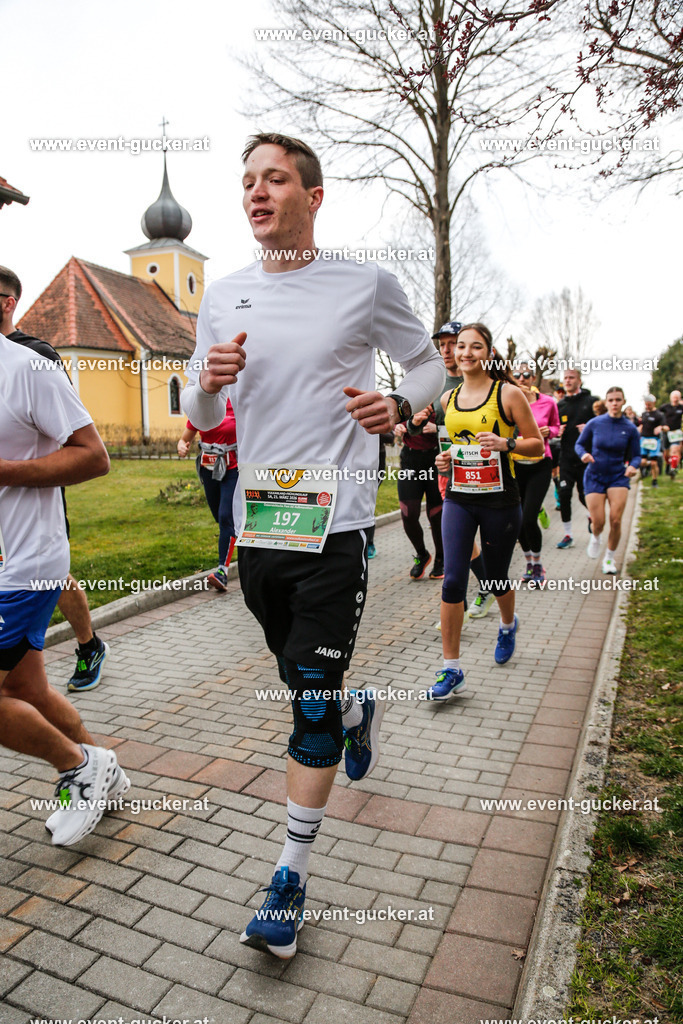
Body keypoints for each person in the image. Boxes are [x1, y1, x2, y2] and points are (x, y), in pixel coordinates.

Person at [181, 132, 444, 958]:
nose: (256, 193)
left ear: (313, 196)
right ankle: (356, 708)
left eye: (275, 180)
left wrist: (398, 410)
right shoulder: (222, 295)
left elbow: (427, 365)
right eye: (247, 181)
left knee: (305, 702)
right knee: (309, 681)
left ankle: (287, 881)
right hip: (260, 528)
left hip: (336, 529)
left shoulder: (364, 284)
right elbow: (194, 415)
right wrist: (207, 385)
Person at [0, 331, 130, 845]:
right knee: (25, 690)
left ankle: (78, 767)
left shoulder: (28, 370)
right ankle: (108, 776)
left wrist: (3, 473)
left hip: (22, 564)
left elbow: (94, 456)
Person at [0, 267, 109, 692]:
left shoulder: (35, 357)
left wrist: (11, 473)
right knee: (27, 690)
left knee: (53, 575)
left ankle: (88, 644)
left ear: (8, 303)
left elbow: (81, 443)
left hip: (36, 496)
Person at [426, 324, 543, 701]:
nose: (466, 352)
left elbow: (536, 446)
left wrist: (505, 443)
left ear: (488, 353)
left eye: (475, 346)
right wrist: (444, 461)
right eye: (460, 346)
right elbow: (453, 448)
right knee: (453, 581)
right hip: (459, 497)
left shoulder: (507, 394)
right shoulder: (448, 400)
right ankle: (451, 669)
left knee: (494, 578)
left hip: (500, 501)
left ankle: (508, 624)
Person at [431, 321, 490, 617]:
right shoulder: (435, 382)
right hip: (447, 470)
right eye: (442, 344)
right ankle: (462, 599)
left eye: (452, 343)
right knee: (458, 538)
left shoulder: (480, 381)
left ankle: (488, 585)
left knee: (467, 540)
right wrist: (415, 424)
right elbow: (416, 420)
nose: (447, 349)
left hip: (485, 474)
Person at [576, 387, 641, 573]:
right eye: (611, 400)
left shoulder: (630, 428)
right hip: (594, 476)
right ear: (606, 402)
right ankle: (595, 537)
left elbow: (636, 455)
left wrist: (632, 466)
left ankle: (609, 559)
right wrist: (584, 455)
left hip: (617, 477)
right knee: (598, 522)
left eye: (618, 400)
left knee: (616, 521)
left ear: (623, 401)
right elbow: (579, 444)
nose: (614, 403)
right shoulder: (595, 423)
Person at [177, 399, 238, 592]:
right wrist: (181, 446)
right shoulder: (201, 407)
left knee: (225, 516)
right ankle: (240, 546)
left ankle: (222, 571)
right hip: (208, 469)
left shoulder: (236, 404)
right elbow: (185, 437)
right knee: (221, 519)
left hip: (233, 469)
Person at [510, 365, 560, 587]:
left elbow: (557, 426)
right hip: (516, 465)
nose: (521, 378)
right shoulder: (508, 403)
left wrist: (550, 431)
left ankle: (538, 564)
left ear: (533, 378)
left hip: (540, 464)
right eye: (516, 375)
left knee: (529, 517)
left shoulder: (548, 402)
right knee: (518, 519)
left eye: (526, 375)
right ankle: (529, 563)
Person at [398, 403, 444, 579]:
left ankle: (441, 558)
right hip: (410, 460)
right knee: (408, 514)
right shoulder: (408, 398)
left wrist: (438, 428)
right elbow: (394, 418)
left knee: (436, 515)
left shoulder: (442, 397)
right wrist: (398, 427)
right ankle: (422, 554)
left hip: (435, 460)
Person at [556, 369, 599, 548]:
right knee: (564, 494)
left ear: (579, 381)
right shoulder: (560, 405)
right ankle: (568, 534)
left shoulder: (591, 402)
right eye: (565, 378)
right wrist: (556, 431)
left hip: (585, 458)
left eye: (571, 378)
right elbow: (553, 427)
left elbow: (603, 425)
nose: (568, 381)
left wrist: (590, 428)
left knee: (584, 496)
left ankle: (594, 519)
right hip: (565, 457)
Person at [639, 394, 666, 487]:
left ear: (653, 403)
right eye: (646, 404)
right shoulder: (644, 414)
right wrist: (639, 428)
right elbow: (642, 424)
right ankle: (646, 468)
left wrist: (661, 427)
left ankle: (654, 480)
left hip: (654, 441)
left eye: (649, 404)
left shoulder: (659, 414)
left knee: (654, 463)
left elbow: (666, 427)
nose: (647, 406)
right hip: (644, 440)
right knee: (642, 461)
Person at [659, 389, 682, 477]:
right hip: (666, 432)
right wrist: (662, 426)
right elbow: (658, 416)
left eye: (677, 397)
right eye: (674, 397)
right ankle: (668, 464)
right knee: (666, 452)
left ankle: (673, 468)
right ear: (671, 398)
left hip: (676, 432)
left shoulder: (681, 408)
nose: (675, 399)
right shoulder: (665, 407)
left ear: (679, 398)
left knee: (674, 450)